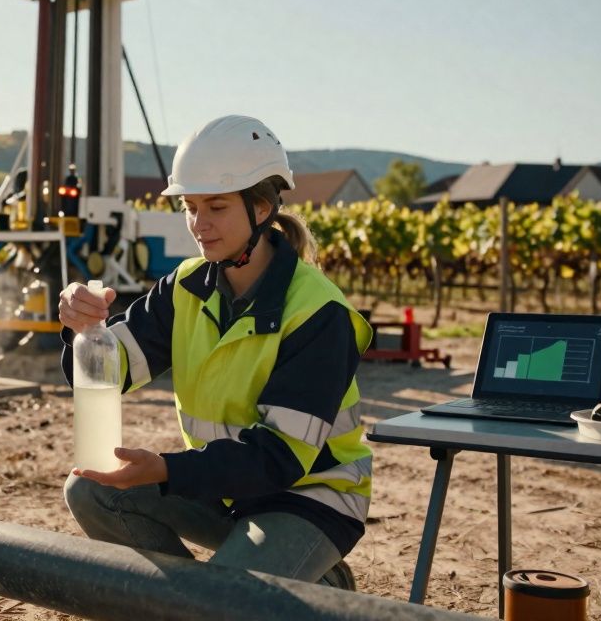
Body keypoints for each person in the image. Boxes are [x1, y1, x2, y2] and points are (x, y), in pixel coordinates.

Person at [58, 115, 373, 586]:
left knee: (219, 598)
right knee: (90, 489)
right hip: (227, 489)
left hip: (309, 498)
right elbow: (109, 374)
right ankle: (194, 599)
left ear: (262, 208)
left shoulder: (318, 312)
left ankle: (317, 582)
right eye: (190, 206)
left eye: (217, 207)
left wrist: (166, 469)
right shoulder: (185, 285)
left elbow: (277, 460)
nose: (198, 225)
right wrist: (84, 330)